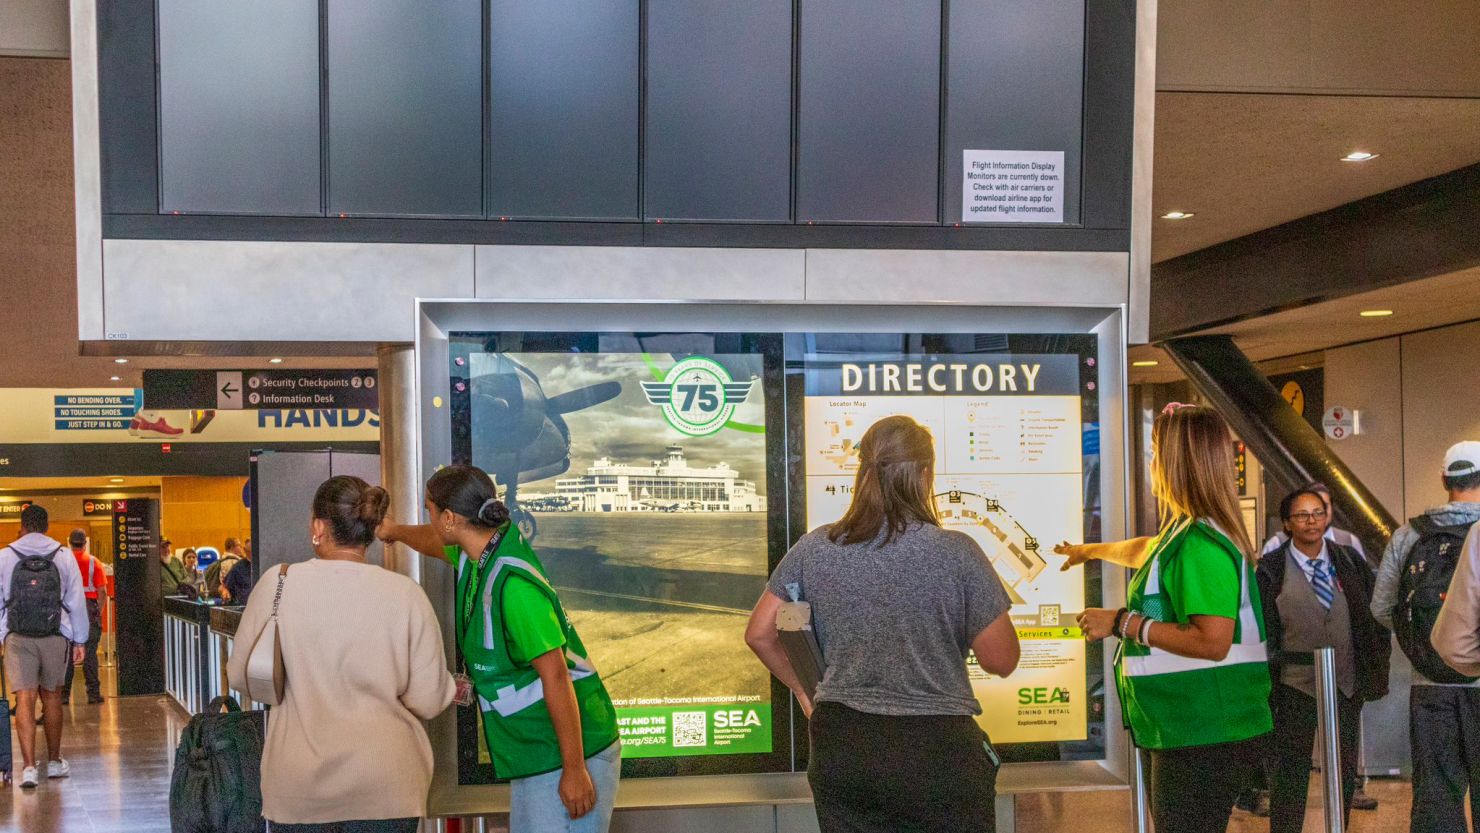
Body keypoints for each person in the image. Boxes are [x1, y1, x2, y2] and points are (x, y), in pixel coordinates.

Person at [746, 415, 1020, 833]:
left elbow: (760, 633)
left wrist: (808, 693)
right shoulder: (957, 552)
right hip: (937, 754)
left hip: (844, 747)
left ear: (863, 472)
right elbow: (1000, 659)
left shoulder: (816, 547)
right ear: (925, 475)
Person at [1059, 404, 1272, 833]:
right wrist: (1091, 551)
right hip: (1189, 724)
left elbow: (1212, 641)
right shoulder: (1187, 534)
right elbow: (1147, 549)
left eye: (1155, 454)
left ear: (1175, 464)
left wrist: (1120, 622)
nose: (1151, 465)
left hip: (1202, 727)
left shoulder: (1200, 546)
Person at [378, 465, 621, 833]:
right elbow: (433, 541)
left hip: (569, 754)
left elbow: (556, 676)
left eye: (429, 510)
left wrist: (574, 770)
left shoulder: (514, 590)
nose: (428, 520)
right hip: (535, 751)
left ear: (449, 518)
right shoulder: (483, 549)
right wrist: (393, 531)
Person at [226, 476, 455, 832]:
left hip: (300, 786)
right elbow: (428, 699)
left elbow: (243, 677)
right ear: (371, 527)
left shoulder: (279, 583)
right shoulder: (406, 594)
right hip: (389, 785)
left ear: (319, 526)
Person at [1257, 488, 1389, 833]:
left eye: (1318, 512)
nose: (1311, 520)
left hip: (1345, 681)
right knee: (1290, 770)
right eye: (1302, 514)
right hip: (1292, 685)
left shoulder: (1347, 559)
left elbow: (1371, 614)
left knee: (1343, 769)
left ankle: (1338, 825)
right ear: (1287, 523)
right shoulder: (1271, 567)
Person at [1371, 440, 1480, 833]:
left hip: (1430, 684)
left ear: (1443, 479)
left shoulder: (1409, 535)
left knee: (1436, 797)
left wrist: (1423, 644)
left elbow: (1381, 608)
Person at [0, 505, 90, 789]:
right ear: (47, 526)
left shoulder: (5, 555)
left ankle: (28, 768)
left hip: (17, 635)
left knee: (23, 699)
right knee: (52, 698)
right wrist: (81, 640)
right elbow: (76, 601)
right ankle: (53, 762)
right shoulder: (62, 556)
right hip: (55, 634)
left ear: (22, 526)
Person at [1261, 481, 1368, 560]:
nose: (1312, 520)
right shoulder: (1276, 544)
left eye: (1320, 510)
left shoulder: (1348, 541)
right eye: (1303, 514)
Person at [63, 530, 108, 705]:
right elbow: (102, 591)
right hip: (89, 608)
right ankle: (93, 693)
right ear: (84, 543)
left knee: (67, 654)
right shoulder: (93, 562)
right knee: (89, 653)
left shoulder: (63, 562)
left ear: (70, 542)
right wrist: (99, 611)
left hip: (67, 610)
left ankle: (64, 695)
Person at [222, 535, 255, 605]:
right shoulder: (237, 567)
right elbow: (225, 586)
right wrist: (225, 592)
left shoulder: (262, 564)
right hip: (244, 605)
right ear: (245, 550)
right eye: (250, 551)